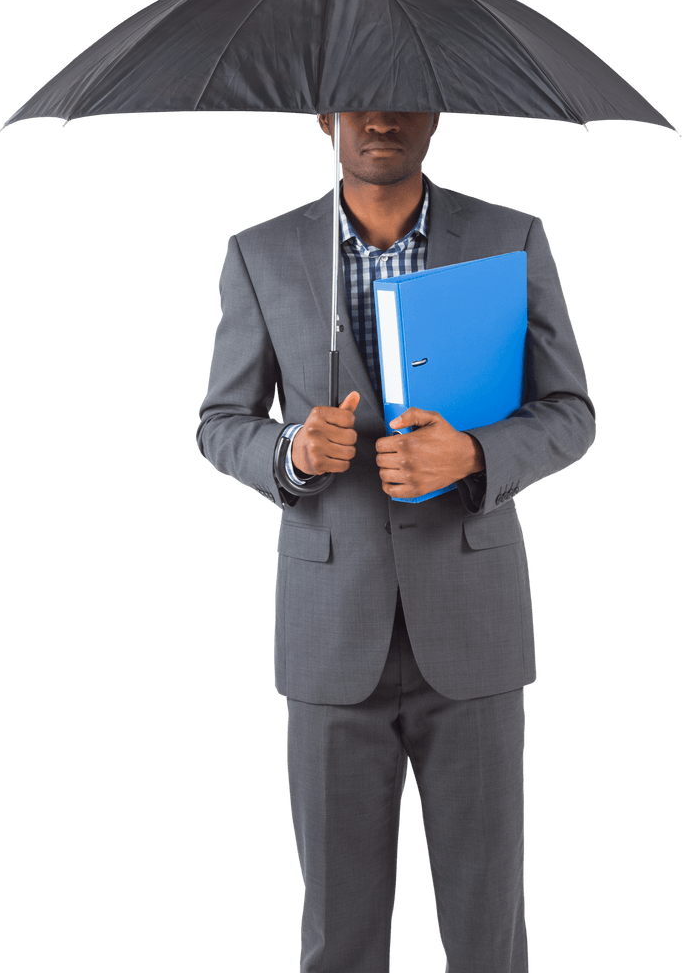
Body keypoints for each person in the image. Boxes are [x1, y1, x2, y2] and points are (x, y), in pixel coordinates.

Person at [196, 111, 596, 973]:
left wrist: (478, 453)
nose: (383, 117)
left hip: (475, 626)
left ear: (442, 109)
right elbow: (220, 422)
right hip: (330, 634)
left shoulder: (508, 236)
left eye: (408, 94)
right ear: (321, 111)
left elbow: (571, 413)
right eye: (360, 97)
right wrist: (290, 453)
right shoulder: (259, 251)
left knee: (489, 931)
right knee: (338, 934)